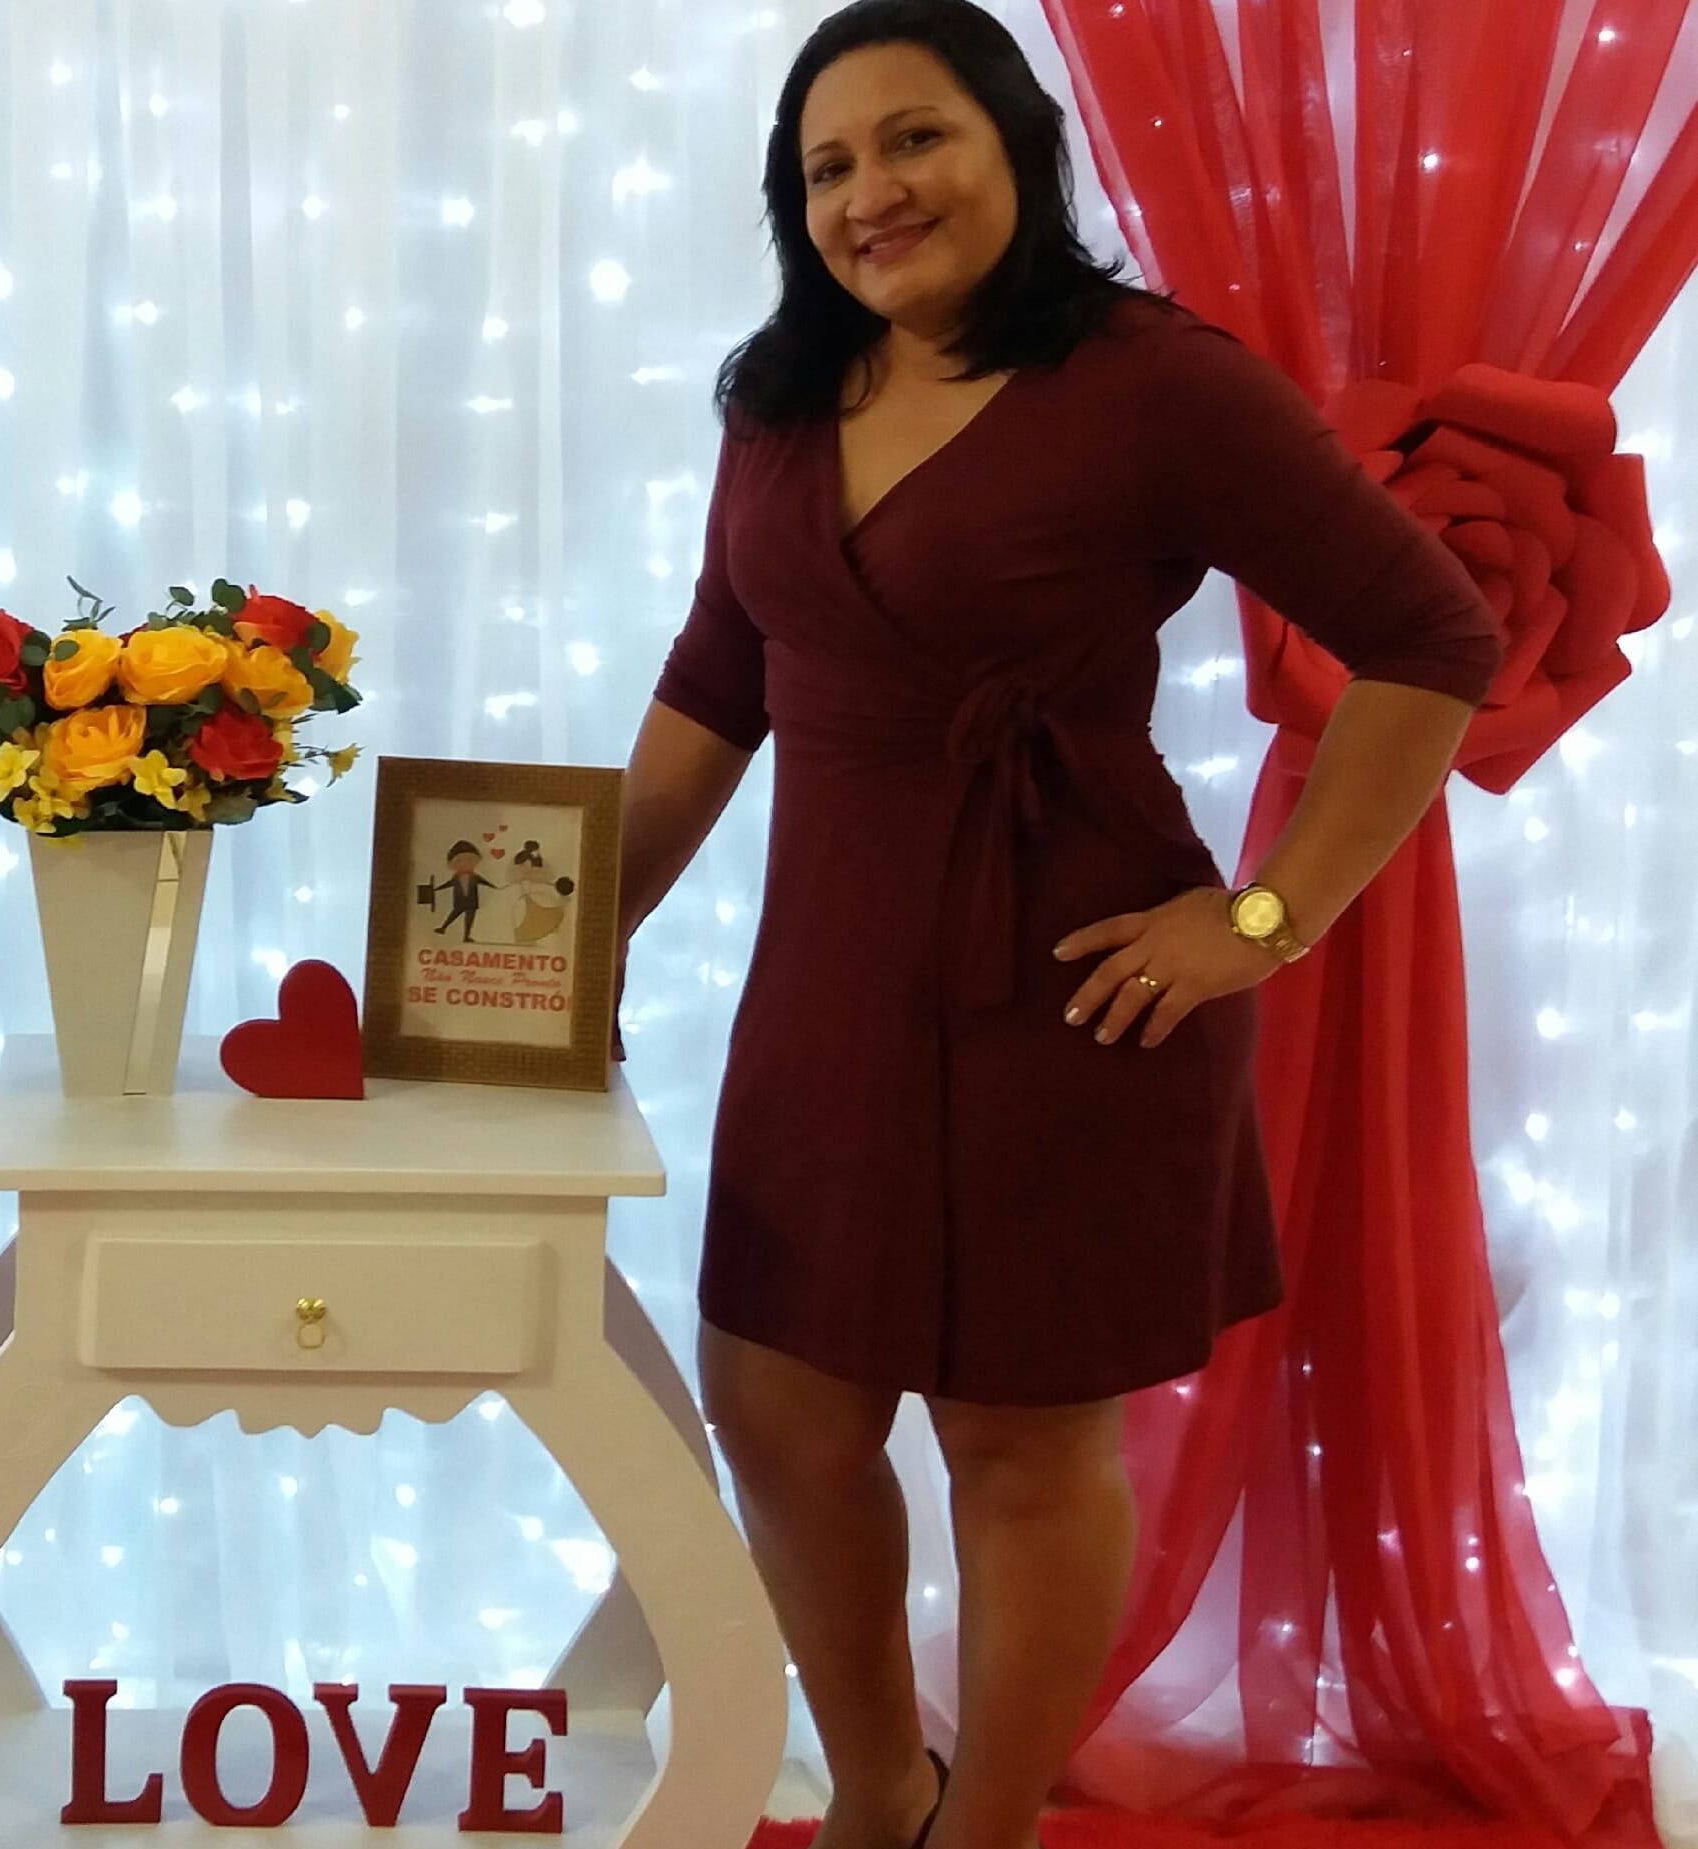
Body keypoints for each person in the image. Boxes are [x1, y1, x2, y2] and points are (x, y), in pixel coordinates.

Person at [615, 5, 1503, 1847]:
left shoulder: (1152, 381)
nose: (871, 193)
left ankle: (990, 1828)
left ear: (1016, 142)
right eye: (827, 167)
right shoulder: (777, 397)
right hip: (830, 990)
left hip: (1075, 993)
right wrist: (569, 942)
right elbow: (715, 681)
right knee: (775, 1408)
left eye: (913, 138)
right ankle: (880, 1790)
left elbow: (1431, 637)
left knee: (1018, 1445)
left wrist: (1263, 916)